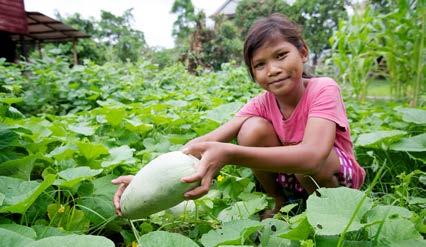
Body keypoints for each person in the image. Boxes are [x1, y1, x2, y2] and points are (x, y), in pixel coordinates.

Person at [113, 13, 365, 218]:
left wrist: (230, 154)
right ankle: (280, 202)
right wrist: (142, 181)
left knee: (305, 166)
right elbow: (196, 147)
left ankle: (332, 216)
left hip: (335, 179)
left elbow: (311, 158)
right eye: (260, 64)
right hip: (293, 177)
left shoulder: (323, 88)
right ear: (253, 74)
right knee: (251, 129)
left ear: (303, 52)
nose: (273, 70)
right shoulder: (262, 103)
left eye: (281, 55)